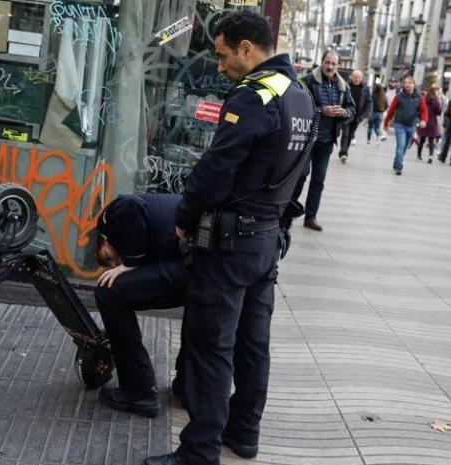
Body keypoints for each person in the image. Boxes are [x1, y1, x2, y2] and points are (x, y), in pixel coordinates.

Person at [143, 11, 315, 465]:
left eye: (222, 55)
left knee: (210, 347)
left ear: (247, 49)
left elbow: (216, 169)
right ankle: (244, 432)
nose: (219, 66)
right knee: (253, 343)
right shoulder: (300, 95)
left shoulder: (255, 97)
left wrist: (185, 215)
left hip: (230, 243)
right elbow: (301, 175)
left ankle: (199, 452)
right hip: (266, 241)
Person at [93, 194, 189, 418]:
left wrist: (130, 263)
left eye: (107, 258)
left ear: (103, 239)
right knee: (195, 305)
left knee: (108, 294)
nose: (113, 265)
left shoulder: (109, 217)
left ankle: (138, 389)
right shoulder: (150, 234)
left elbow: (131, 204)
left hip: (190, 261)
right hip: (203, 262)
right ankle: (188, 387)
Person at [295, 50, 354, 231]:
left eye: (333, 64)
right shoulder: (307, 81)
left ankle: (310, 217)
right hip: (306, 138)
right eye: (327, 62)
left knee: (318, 180)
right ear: (321, 62)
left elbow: (352, 108)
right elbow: (298, 105)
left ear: (338, 66)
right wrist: (322, 111)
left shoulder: (343, 86)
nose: (330, 66)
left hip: (326, 141)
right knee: (300, 176)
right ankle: (285, 212)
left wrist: (344, 113)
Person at [383, 74, 428, 175]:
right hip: (400, 124)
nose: (407, 85)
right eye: (406, 83)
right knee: (401, 145)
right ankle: (399, 167)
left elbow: (424, 110)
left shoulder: (419, 97)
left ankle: (396, 163)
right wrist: (386, 123)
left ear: (414, 85)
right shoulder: (399, 97)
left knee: (405, 147)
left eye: (410, 83)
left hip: (411, 126)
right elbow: (391, 111)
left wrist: (424, 120)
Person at [337, 69, 370, 163]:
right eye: (355, 77)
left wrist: (366, 114)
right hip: (347, 113)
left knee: (351, 134)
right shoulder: (346, 86)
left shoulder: (365, 88)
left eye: (358, 77)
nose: (356, 79)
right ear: (351, 77)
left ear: (361, 78)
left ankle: (344, 151)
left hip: (358, 116)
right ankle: (343, 152)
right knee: (345, 134)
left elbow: (368, 102)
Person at [416, 85, 442, 164]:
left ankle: (419, 155)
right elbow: (439, 112)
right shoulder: (436, 101)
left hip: (424, 121)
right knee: (431, 141)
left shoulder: (424, 99)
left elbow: (419, 110)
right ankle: (430, 157)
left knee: (422, 140)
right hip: (432, 123)